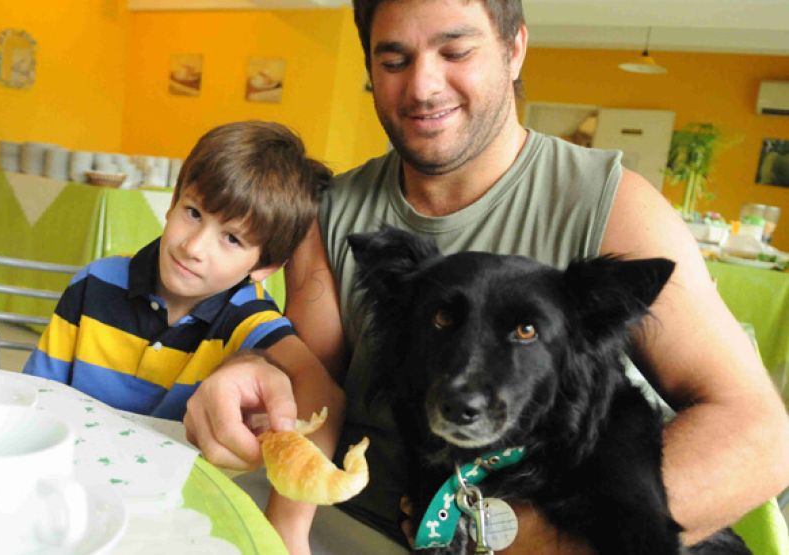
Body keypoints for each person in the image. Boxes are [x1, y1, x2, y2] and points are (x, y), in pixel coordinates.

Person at [183, 1, 789, 553]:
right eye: (394, 59)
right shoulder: (334, 212)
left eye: (456, 51)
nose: (422, 86)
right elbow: (312, 379)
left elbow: (760, 435)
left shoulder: (611, 205)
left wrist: (519, 539)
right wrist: (249, 375)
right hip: (342, 530)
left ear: (514, 48)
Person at [23, 120, 339, 422]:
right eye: (194, 213)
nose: (194, 248)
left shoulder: (249, 319)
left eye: (232, 238)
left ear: (264, 266)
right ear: (172, 203)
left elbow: (317, 385)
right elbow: (35, 395)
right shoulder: (94, 282)